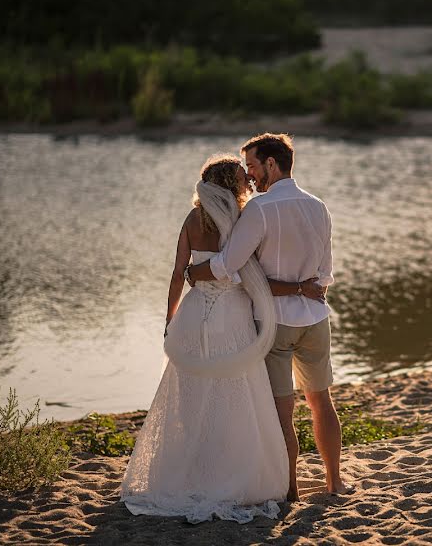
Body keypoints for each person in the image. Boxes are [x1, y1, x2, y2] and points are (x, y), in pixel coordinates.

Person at [121, 153, 309, 523]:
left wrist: (170, 316)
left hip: (194, 317)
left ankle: (195, 471)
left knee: (191, 397)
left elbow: (179, 274)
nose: (248, 183)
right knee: (237, 393)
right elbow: (251, 272)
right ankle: (234, 473)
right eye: (243, 178)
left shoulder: (192, 220)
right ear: (232, 185)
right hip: (232, 315)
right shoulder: (243, 220)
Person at [186, 133, 349, 500]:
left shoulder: (259, 210)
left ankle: (290, 489)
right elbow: (324, 275)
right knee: (321, 401)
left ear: (272, 164)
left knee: (282, 411)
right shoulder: (318, 206)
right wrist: (303, 288)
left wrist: (194, 273)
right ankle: (334, 481)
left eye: (253, 166)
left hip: (275, 323)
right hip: (315, 319)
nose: (250, 176)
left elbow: (231, 266)